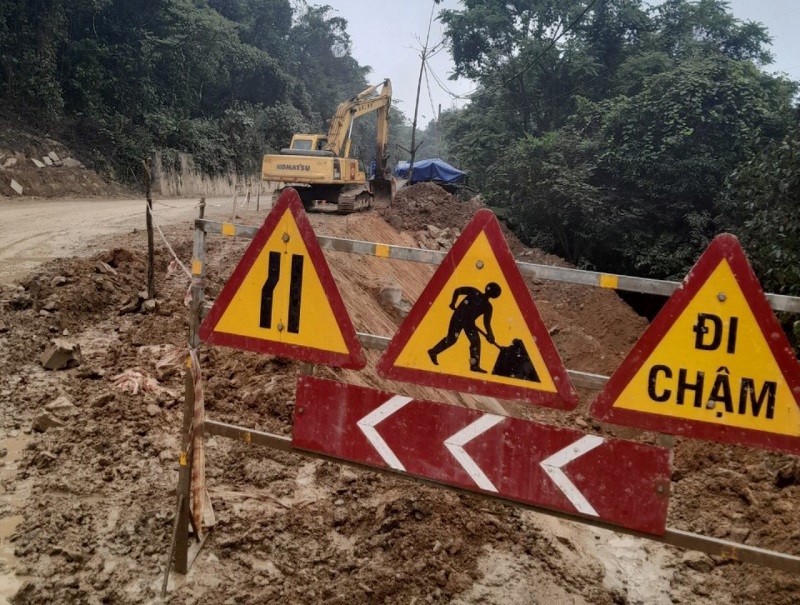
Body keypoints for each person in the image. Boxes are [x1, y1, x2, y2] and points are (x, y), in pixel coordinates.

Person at [427, 282, 501, 373]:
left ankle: (474, 366)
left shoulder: (487, 306)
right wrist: (453, 303)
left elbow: (486, 322)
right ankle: (433, 351)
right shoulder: (474, 292)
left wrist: (490, 334)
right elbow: (458, 290)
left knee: (476, 342)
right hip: (458, 318)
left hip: (470, 323)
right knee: (452, 339)